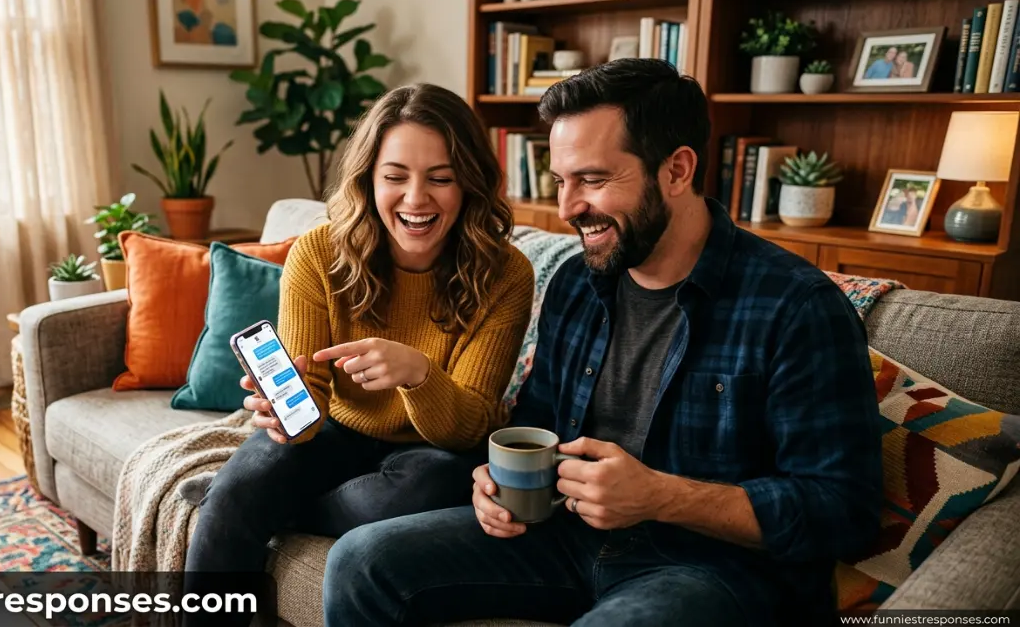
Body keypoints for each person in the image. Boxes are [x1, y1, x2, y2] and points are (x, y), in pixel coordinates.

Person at [323, 59, 883, 627]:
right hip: (565, 535)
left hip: (709, 565)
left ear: (677, 170)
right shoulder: (576, 283)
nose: (568, 208)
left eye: (591, 180)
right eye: (561, 181)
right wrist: (495, 479)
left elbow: (844, 510)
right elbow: (536, 421)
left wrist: (660, 495)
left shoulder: (796, 307)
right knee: (361, 561)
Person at [181, 83, 535, 625]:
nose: (416, 199)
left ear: (470, 182)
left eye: (441, 178)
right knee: (243, 487)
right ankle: (241, 499)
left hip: (431, 451)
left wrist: (419, 374)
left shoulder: (505, 273)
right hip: (334, 430)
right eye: (395, 177)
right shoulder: (319, 253)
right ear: (368, 179)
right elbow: (308, 404)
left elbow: (470, 426)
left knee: (438, 486)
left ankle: (266, 505)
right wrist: (286, 415)